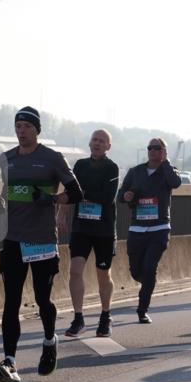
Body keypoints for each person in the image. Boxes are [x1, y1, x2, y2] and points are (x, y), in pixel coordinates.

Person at [0, 107, 82, 382]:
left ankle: (49, 340)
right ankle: (10, 362)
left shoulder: (52, 158)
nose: (21, 130)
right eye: (17, 125)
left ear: (36, 129)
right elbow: (7, 191)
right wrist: (0, 202)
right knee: (11, 302)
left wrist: (53, 200)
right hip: (13, 239)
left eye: (27, 126)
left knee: (43, 299)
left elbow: (77, 192)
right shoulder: (6, 159)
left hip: (41, 240)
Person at [119, 138, 182, 323]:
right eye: (150, 148)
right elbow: (120, 195)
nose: (153, 151)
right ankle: (147, 283)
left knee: (149, 268)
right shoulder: (135, 172)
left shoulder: (168, 171)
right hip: (137, 228)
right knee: (136, 271)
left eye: (157, 148)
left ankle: (142, 309)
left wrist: (166, 163)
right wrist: (125, 195)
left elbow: (176, 183)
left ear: (164, 151)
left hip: (159, 228)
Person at [65, 129, 119, 338]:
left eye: (102, 141)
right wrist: (61, 213)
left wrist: (83, 194)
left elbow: (107, 198)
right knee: (75, 270)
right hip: (81, 228)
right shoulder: (80, 165)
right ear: (89, 143)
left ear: (108, 146)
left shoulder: (111, 167)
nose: (97, 143)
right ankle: (78, 318)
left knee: (103, 274)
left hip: (104, 229)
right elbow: (71, 192)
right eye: (94, 140)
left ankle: (105, 316)